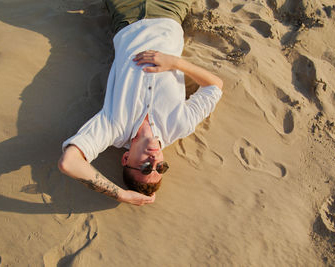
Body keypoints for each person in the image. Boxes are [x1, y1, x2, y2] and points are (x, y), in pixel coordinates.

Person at [58, 0, 224, 206]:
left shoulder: (113, 127)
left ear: (126, 159)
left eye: (146, 168)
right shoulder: (179, 125)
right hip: (169, 11)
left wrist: (121, 195)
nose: (154, 161)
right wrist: (175, 62)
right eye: (161, 168)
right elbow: (214, 86)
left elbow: (69, 163)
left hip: (127, 15)